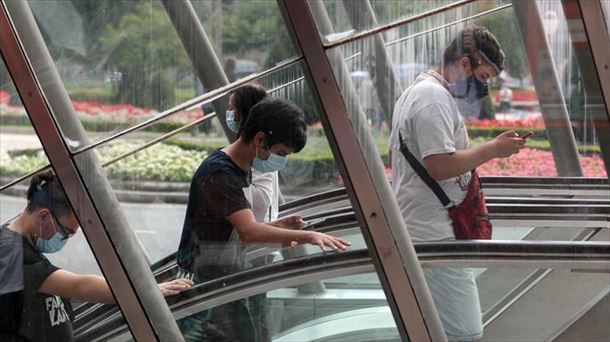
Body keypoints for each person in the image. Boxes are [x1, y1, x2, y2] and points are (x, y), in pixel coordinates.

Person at [389, 25, 525, 341]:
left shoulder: (427, 93)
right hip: (434, 236)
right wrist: (492, 150)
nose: (484, 87)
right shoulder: (432, 97)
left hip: (431, 231)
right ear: (465, 65)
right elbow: (438, 165)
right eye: (483, 77)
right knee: (467, 334)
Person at [176, 97, 350, 341]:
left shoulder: (239, 169)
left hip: (221, 282)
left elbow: (232, 230)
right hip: (206, 295)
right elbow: (249, 232)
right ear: (259, 140)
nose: (281, 161)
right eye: (280, 153)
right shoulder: (220, 173)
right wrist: (308, 236)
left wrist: (279, 226)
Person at [0, 171, 192, 341]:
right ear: (43, 216)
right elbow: (79, 287)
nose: (65, 239)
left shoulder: (21, 243)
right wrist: (147, 292)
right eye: (66, 232)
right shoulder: (10, 253)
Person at [226, 83, 280, 223]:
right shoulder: (257, 143)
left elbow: (263, 197)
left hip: (257, 229)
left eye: (232, 109)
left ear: (245, 113)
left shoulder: (258, 148)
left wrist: (226, 183)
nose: (230, 114)